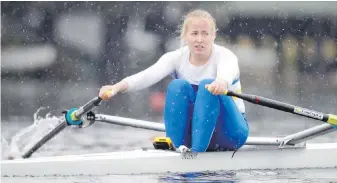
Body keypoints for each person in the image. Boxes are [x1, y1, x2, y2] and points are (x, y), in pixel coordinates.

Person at [99, 9, 249, 153]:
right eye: (194, 33)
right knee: (178, 86)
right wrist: (116, 87)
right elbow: (146, 76)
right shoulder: (176, 58)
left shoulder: (225, 56)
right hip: (196, 132)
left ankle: (195, 154)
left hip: (231, 133)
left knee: (206, 86)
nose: (199, 39)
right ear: (185, 36)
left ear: (213, 36)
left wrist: (221, 82)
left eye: (205, 34)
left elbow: (226, 73)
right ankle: (177, 147)